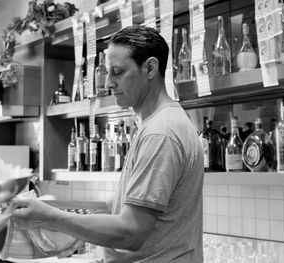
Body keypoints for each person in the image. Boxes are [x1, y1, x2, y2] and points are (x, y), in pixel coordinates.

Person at [12, 25, 204, 263]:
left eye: (118, 72)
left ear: (150, 68)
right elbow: (129, 218)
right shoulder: (159, 123)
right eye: (107, 72)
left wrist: (51, 217)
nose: (108, 83)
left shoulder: (160, 133)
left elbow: (130, 232)